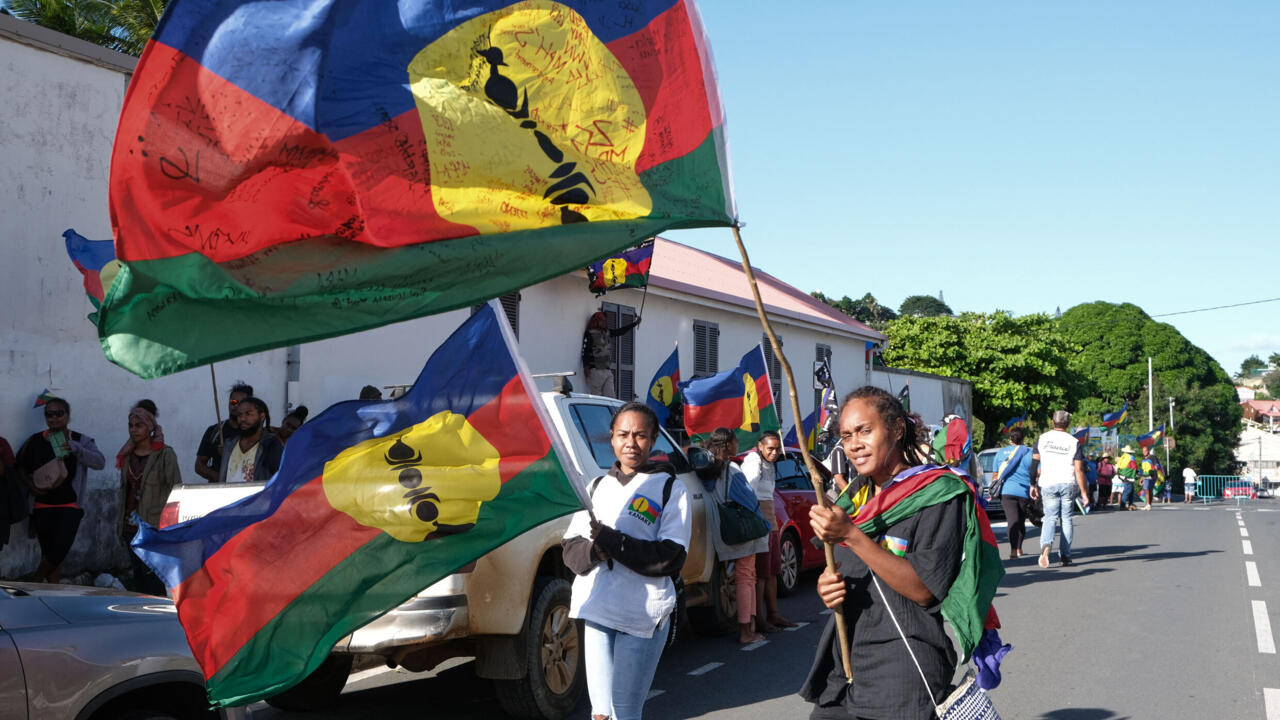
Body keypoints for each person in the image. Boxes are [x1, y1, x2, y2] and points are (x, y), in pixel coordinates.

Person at [801, 386, 984, 719]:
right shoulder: (855, 500)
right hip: (847, 666)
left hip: (902, 671)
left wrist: (852, 535)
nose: (854, 443)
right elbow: (854, 575)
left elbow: (924, 590)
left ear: (897, 429)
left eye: (865, 431)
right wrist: (828, 588)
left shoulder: (938, 495)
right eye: (846, 435)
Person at [562, 402, 690, 720]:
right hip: (598, 610)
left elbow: (670, 558)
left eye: (641, 435)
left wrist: (612, 542)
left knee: (625, 711)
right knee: (601, 714)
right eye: (623, 434)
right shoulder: (595, 487)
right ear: (612, 438)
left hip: (642, 617)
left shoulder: (670, 489)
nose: (631, 443)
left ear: (654, 439)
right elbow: (570, 549)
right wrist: (596, 552)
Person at [14, 397, 105, 583]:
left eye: (59, 413)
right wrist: (31, 486)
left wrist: (77, 450)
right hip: (42, 506)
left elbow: (100, 462)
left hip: (69, 506)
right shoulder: (35, 441)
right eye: (49, 414)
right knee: (50, 556)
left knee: (59, 550)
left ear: (68, 416)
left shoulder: (80, 440)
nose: (54, 418)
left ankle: (34, 582)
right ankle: (53, 595)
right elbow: (20, 467)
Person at [701, 427, 770, 644]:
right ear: (728, 445)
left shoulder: (707, 468)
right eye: (735, 441)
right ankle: (746, 631)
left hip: (719, 530)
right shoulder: (732, 469)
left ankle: (746, 628)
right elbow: (749, 502)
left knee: (738, 577)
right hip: (740, 531)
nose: (738, 444)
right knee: (746, 577)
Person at [117, 403, 179, 595]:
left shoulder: (164, 455)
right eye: (131, 425)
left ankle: (157, 616)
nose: (134, 430)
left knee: (153, 577)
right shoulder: (127, 456)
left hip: (153, 525)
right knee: (138, 576)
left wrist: (171, 526)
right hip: (130, 525)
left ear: (150, 427)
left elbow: (175, 489)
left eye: (139, 425)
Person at [739, 431, 796, 631]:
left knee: (773, 571)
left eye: (777, 449)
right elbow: (749, 492)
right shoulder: (753, 461)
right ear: (760, 446)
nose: (774, 452)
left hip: (771, 520)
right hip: (760, 521)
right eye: (770, 448)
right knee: (761, 573)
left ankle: (774, 614)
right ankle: (759, 618)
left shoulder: (770, 465)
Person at [1031, 410, 1090, 568]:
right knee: (1066, 519)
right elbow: (1078, 469)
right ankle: (1065, 555)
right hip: (1067, 483)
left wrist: (1032, 484)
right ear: (1068, 424)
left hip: (1048, 482)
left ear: (1052, 422)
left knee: (1049, 517)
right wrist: (1084, 493)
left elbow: (1035, 463)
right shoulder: (1073, 441)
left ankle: (1046, 546)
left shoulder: (1043, 439)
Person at [195, 383, 252, 482]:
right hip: (217, 493)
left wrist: (229, 455)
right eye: (233, 402)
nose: (236, 406)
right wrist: (218, 477)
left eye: (241, 403)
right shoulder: (214, 431)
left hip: (245, 492)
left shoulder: (253, 433)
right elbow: (199, 465)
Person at [992, 427, 1034, 559]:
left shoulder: (1001, 453)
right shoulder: (1029, 452)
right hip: (1024, 491)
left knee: (1012, 520)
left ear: (1011, 439)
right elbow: (1037, 472)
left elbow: (995, 474)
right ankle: (1019, 548)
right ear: (1023, 438)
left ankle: (1013, 549)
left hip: (1006, 491)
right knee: (1021, 520)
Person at [220, 397, 284, 483]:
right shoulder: (229, 444)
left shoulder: (271, 444)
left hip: (258, 496)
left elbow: (280, 479)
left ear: (261, 417)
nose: (242, 419)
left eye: (248, 414)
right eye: (239, 415)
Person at [580, 311, 640, 398]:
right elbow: (586, 350)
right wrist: (586, 366)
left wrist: (634, 324)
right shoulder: (590, 333)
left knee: (611, 396)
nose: (604, 323)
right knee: (597, 397)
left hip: (607, 370)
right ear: (596, 321)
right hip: (595, 370)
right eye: (602, 321)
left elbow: (620, 331)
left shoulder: (607, 332)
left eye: (605, 320)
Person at [1114, 445, 1139, 510]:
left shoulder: (1122, 457)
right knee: (1128, 491)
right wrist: (1136, 474)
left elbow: (1119, 467)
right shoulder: (1131, 457)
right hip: (1129, 477)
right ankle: (1123, 505)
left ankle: (1130, 504)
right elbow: (1134, 467)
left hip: (1123, 476)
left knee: (1130, 491)